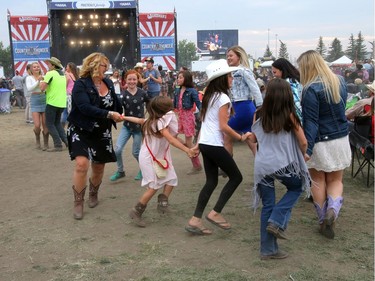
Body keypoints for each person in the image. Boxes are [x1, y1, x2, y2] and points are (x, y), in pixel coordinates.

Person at [185, 59, 252, 235]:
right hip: (213, 144)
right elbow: (223, 126)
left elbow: (204, 123)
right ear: (222, 78)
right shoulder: (222, 97)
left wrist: (198, 145)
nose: (232, 78)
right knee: (236, 177)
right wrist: (241, 137)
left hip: (207, 144)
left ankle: (195, 220)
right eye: (230, 75)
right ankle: (215, 213)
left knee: (212, 181)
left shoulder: (209, 96)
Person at [249, 78, 311, 260]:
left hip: (262, 165)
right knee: (297, 187)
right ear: (287, 95)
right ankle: (276, 220)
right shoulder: (289, 115)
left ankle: (268, 250)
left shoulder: (259, 114)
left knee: (267, 204)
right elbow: (304, 141)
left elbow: (254, 139)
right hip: (283, 164)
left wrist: (246, 136)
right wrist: (303, 155)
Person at [297, 50, 351, 239]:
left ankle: (322, 219)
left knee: (318, 180)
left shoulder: (310, 89)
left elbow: (311, 122)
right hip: (340, 139)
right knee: (336, 180)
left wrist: (307, 148)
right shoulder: (340, 81)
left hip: (320, 141)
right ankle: (333, 211)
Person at [122, 96, 196, 227]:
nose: (172, 110)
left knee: (171, 179)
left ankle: (162, 204)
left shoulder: (153, 120)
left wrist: (124, 117)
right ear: (164, 111)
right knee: (154, 186)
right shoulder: (159, 123)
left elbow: (139, 120)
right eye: (170, 108)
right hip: (149, 158)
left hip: (160, 156)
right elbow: (171, 140)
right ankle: (136, 211)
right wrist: (187, 150)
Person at [67, 52, 124, 220]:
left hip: (102, 131)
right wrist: (109, 114)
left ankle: (93, 193)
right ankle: (78, 202)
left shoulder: (108, 82)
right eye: (103, 65)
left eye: (107, 65)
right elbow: (84, 107)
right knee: (81, 164)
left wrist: (120, 111)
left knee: (98, 167)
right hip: (81, 128)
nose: (106, 69)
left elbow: (114, 102)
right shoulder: (81, 84)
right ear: (93, 65)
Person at [110, 69, 151, 182]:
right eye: (129, 79)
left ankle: (143, 170)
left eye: (134, 79)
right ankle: (120, 171)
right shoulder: (122, 95)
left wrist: (149, 116)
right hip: (127, 126)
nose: (132, 81)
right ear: (125, 80)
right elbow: (117, 110)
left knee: (136, 152)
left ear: (138, 80)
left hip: (139, 128)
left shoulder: (143, 93)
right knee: (117, 150)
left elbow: (150, 105)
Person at [225, 45, 263, 157]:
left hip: (243, 106)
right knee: (250, 139)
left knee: (226, 135)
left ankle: (227, 166)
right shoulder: (230, 72)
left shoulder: (244, 71)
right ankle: (262, 165)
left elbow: (255, 89)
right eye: (227, 56)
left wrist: (261, 108)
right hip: (239, 107)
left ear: (239, 56)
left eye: (231, 55)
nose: (228, 58)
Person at [173, 70, 202, 174]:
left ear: (187, 79)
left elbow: (199, 104)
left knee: (189, 142)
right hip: (180, 117)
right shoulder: (177, 90)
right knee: (173, 136)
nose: (178, 79)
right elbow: (174, 105)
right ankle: (191, 149)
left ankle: (196, 165)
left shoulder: (192, 91)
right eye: (178, 77)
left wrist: (203, 114)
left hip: (188, 117)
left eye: (181, 77)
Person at [39, 57, 68, 152]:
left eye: (49, 64)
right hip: (61, 103)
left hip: (52, 102)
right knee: (57, 123)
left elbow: (42, 88)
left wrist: (41, 80)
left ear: (53, 65)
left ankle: (57, 144)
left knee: (49, 124)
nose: (48, 65)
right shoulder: (62, 75)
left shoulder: (50, 73)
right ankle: (67, 142)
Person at [26, 62, 48, 150]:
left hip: (44, 98)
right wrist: (38, 81)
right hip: (34, 99)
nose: (36, 68)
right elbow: (29, 88)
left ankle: (46, 143)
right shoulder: (29, 78)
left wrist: (43, 81)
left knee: (45, 124)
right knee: (37, 125)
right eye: (34, 67)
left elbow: (47, 87)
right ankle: (38, 140)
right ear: (31, 69)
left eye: (38, 66)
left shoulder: (44, 77)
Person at [61, 62, 79, 128]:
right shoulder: (76, 75)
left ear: (70, 68)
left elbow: (64, 85)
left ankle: (62, 127)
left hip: (68, 95)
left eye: (67, 67)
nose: (66, 68)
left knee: (65, 112)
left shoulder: (67, 74)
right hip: (74, 96)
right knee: (71, 111)